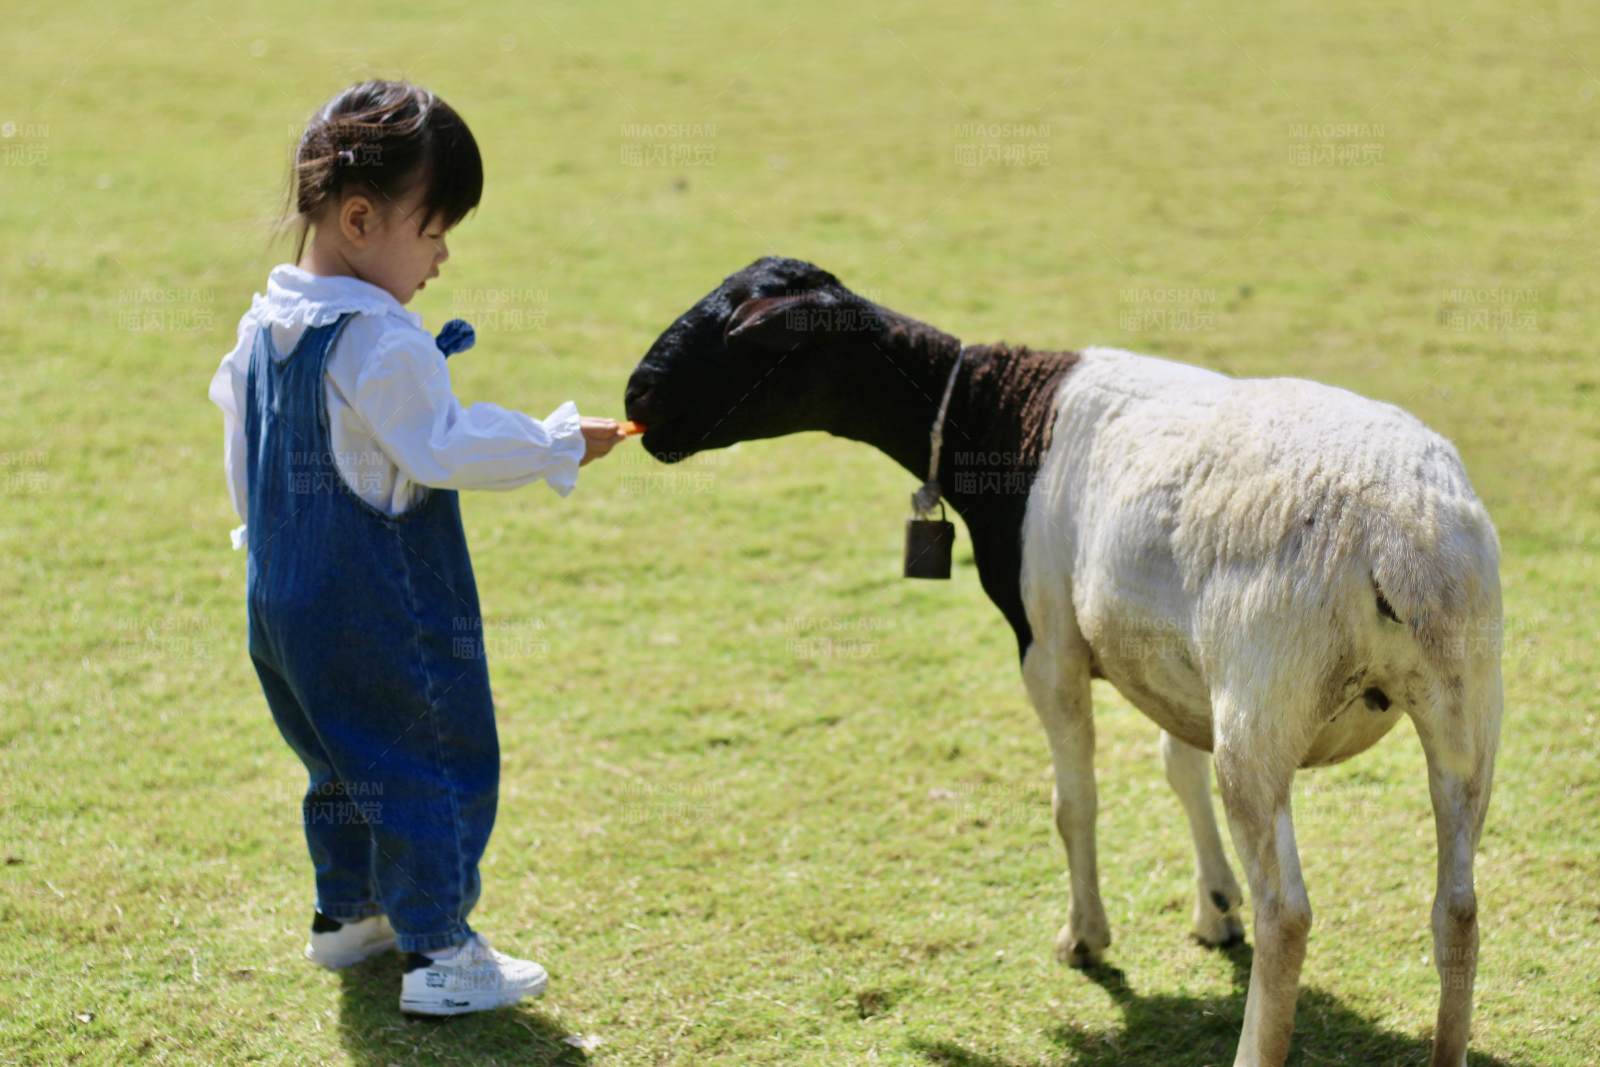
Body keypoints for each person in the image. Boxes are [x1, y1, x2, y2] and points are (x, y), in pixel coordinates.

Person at [206, 79, 624, 1015]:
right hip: (380, 608)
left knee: (343, 761)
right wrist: (557, 441)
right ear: (360, 218)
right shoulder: (377, 336)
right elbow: (444, 444)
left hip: (280, 601)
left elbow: (239, 436)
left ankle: (349, 913)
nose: (442, 255)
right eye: (433, 229)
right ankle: (443, 948)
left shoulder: (266, 320)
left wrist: (259, 544)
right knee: (428, 756)